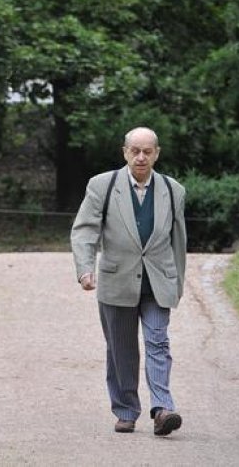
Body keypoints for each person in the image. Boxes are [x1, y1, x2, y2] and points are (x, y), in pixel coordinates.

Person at [70, 126, 187, 436]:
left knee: (158, 342)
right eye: (135, 150)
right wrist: (84, 268)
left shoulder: (173, 190)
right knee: (121, 349)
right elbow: (84, 230)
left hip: (157, 283)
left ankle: (162, 408)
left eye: (147, 151)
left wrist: (177, 284)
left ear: (157, 154)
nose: (141, 157)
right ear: (124, 152)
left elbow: (178, 240)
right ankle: (125, 410)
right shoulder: (102, 186)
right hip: (116, 281)